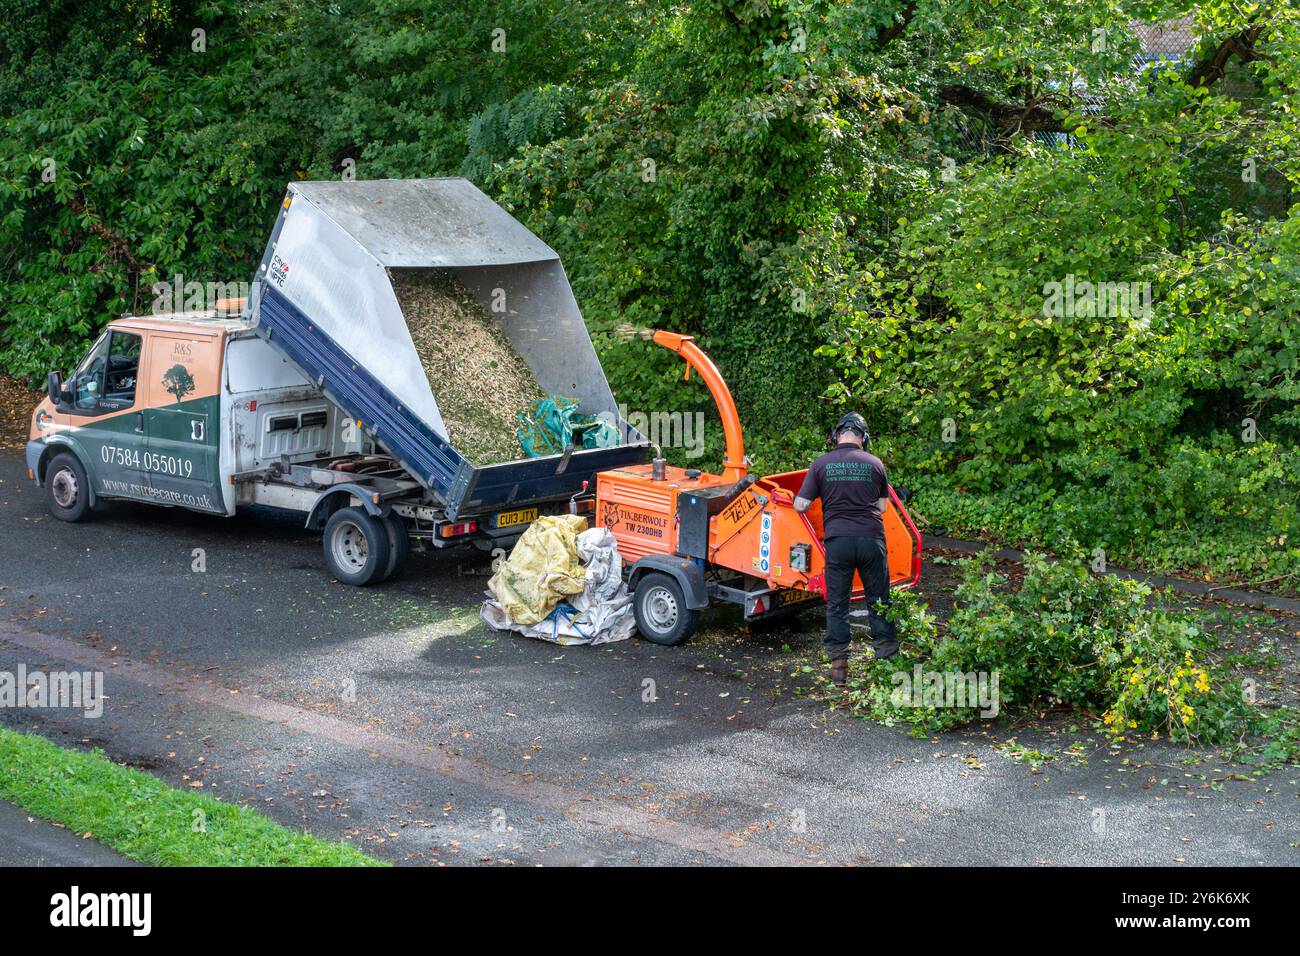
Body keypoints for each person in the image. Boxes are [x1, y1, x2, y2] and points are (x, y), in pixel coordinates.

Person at [794, 412, 898, 688]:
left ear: (836, 435)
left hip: (838, 542)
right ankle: (887, 666)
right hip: (871, 541)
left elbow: (801, 505)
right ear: (863, 437)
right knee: (879, 600)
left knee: (838, 604)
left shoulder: (821, 464)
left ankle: (839, 670)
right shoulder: (875, 464)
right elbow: (883, 507)